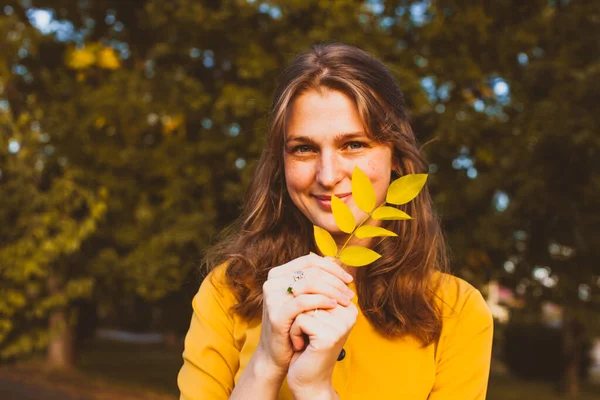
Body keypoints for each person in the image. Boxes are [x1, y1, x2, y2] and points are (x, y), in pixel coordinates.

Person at [177, 42, 493, 400]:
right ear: (281, 161)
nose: (327, 175)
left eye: (354, 144)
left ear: (396, 156)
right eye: (304, 148)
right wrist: (266, 362)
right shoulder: (228, 291)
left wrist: (314, 389)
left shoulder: (456, 312)